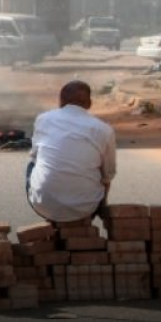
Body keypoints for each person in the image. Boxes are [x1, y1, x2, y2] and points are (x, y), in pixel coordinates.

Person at [27, 80, 118, 224]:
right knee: (103, 170)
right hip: (87, 207)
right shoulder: (104, 129)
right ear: (89, 103)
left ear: (61, 101)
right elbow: (108, 174)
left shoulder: (43, 119)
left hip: (42, 205)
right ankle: (97, 209)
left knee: (33, 163)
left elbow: (35, 155)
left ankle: (54, 217)